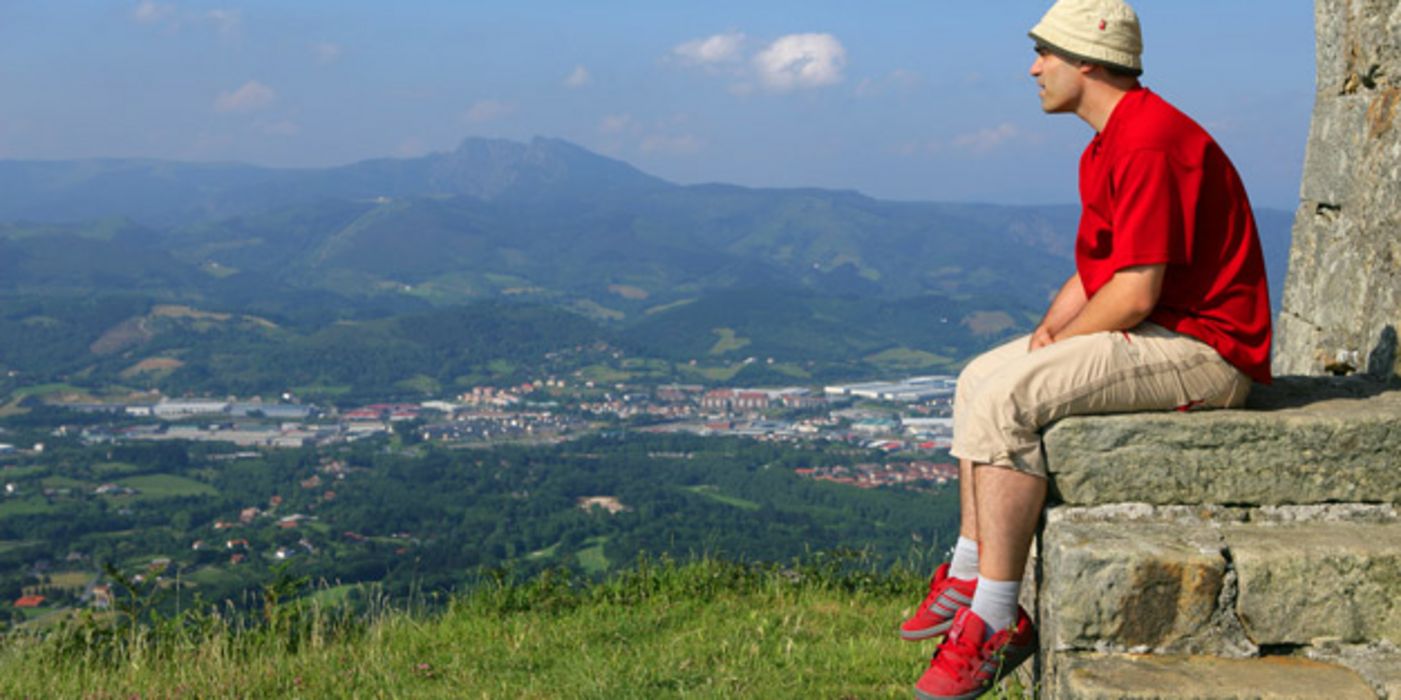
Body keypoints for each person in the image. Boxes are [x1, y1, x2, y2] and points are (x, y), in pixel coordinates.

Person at [902, 0, 1273, 697]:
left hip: (1206, 350)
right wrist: (1050, 329)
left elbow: (1134, 292)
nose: (1033, 68)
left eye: (1045, 54)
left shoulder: (1144, 142)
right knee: (978, 376)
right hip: (1164, 328)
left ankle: (993, 616)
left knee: (1013, 394)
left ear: (1087, 63)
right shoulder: (1114, 138)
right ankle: (967, 563)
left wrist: (1052, 352)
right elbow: (1100, 267)